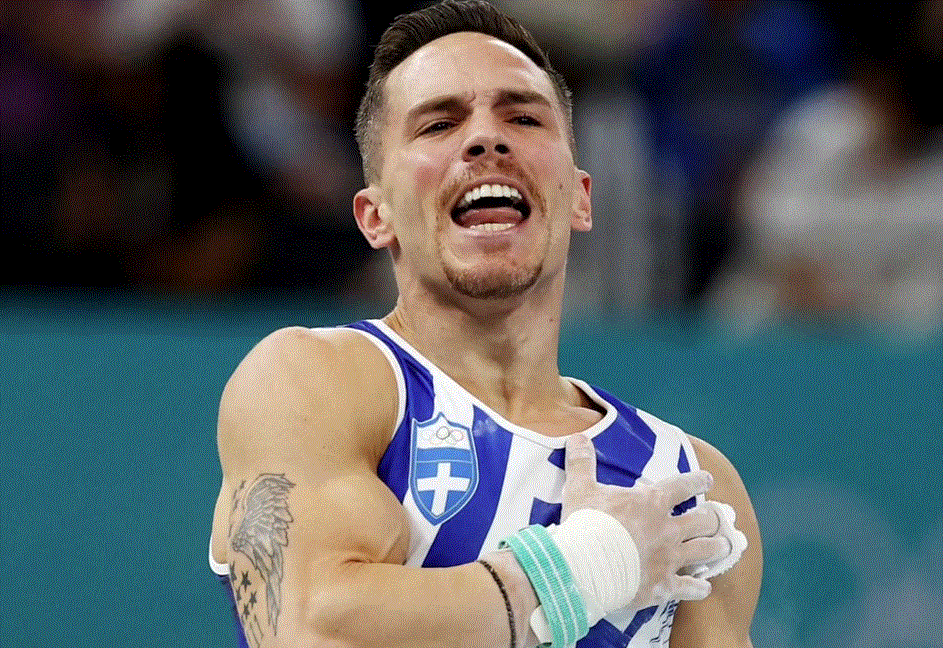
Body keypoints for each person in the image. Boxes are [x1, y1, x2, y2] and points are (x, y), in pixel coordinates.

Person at [209, 2, 762, 646]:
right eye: (439, 123)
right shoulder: (313, 383)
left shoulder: (685, 483)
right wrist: (584, 568)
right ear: (375, 216)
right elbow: (309, 629)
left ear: (580, 198)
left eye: (523, 117)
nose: (485, 140)